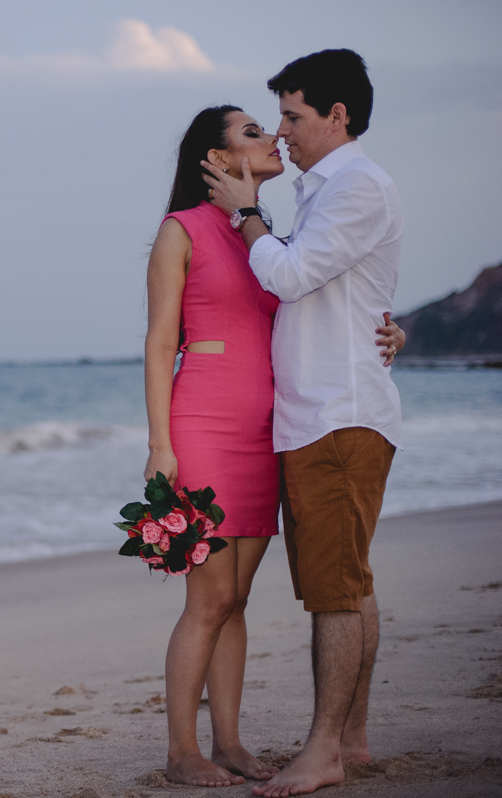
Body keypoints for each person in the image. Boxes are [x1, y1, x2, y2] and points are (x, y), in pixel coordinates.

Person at [144, 103, 405, 788]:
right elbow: (158, 343)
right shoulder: (182, 231)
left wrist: (392, 331)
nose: (272, 138)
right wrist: (160, 445)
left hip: (270, 433)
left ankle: (228, 743)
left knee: (237, 600)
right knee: (208, 599)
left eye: (274, 125)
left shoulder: (268, 239)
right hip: (202, 425)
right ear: (217, 158)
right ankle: (181, 751)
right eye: (252, 132)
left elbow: (325, 301)